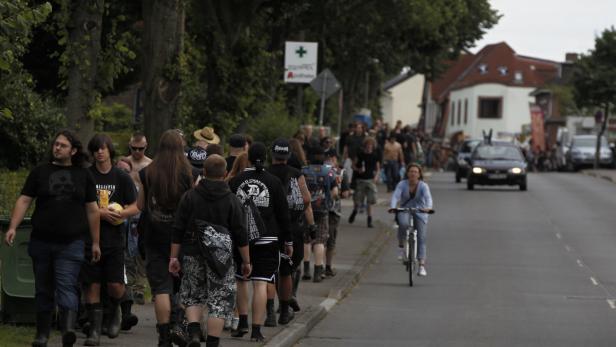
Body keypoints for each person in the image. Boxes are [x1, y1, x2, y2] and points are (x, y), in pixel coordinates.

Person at [4, 130, 101, 347]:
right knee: (43, 288)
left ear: (73, 150)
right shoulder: (40, 172)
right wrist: (12, 227)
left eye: (62, 145)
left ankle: (67, 329)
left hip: (72, 242)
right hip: (41, 240)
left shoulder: (84, 175)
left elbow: (93, 211)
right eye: (55, 144)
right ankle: (42, 334)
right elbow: (24, 200)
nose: (57, 148)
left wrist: (95, 242)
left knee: (66, 284)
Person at [169, 155, 251, 347]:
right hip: (221, 258)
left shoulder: (190, 196)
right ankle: (213, 342)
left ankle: (195, 332)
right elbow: (241, 233)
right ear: (224, 174)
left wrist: (174, 256)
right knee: (220, 299)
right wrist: (247, 261)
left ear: (204, 172)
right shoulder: (231, 200)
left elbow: (178, 228)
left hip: (192, 251)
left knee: (192, 294)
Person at [228, 142, 292, 342]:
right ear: (265, 157)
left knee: (241, 280)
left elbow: (229, 210)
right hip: (268, 238)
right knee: (261, 283)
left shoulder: (236, 181)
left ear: (247, 158)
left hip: (242, 239)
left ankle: (242, 322)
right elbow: (283, 213)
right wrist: (288, 240)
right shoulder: (273, 182)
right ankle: (257, 330)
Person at [137, 130, 194, 346]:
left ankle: (163, 337)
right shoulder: (188, 173)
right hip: (182, 238)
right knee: (181, 284)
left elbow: (140, 205)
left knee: (161, 288)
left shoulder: (147, 172)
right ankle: (179, 324)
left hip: (154, 235)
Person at [83, 134, 139, 344]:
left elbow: (136, 206)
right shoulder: (86, 175)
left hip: (115, 239)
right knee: (93, 285)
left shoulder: (121, 177)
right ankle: (94, 331)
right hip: (89, 238)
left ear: (109, 151)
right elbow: (81, 205)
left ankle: (114, 311)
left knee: (115, 285)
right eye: (96, 148)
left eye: (103, 148)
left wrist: (121, 214)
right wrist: (99, 213)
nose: (99, 152)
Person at [266, 138, 315, 324]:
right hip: (291, 228)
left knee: (268, 272)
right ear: (288, 155)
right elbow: (306, 199)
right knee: (286, 271)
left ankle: (269, 313)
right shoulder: (296, 174)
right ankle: (284, 311)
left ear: (273, 154)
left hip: (269, 227)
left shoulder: (266, 173)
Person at [389, 164, 433, 276]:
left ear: (419, 174)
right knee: (403, 224)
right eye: (411, 171)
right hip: (405, 209)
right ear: (407, 173)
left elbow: (428, 198)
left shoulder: (423, 186)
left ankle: (421, 265)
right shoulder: (402, 184)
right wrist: (393, 206)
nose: (413, 174)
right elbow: (395, 196)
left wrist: (428, 208)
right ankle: (401, 247)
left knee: (421, 237)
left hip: (420, 211)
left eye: (415, 172)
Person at [302, 146, 338, 282]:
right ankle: (317, 272)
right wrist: (332, 199)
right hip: (322, 210)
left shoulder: (304, 171)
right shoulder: (329, 172)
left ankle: (306, 270)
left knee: (306, 239)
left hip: (306, 209)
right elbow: (334, 192)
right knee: (320, 241)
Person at [123, 133, 152, 306]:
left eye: (140, 149)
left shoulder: (150, 165)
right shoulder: (124, 164)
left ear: (146, 147)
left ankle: (140, 288)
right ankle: (130, 284)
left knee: (141, 251)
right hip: (125, 210)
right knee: (127, 251)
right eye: (134, 148)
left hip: (142, 212)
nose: (137, 152)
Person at [349, 137, 380, 228]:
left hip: (370, 180)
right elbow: (352, 165)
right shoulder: (360, 154)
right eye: (368, 144)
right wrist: (358, 169)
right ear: (365, 145)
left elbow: (378, 169)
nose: (369, 146)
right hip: (360, 180)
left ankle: (369, 220)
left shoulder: (375, 156)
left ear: (373, 146)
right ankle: (355, 211)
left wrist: (376, 177)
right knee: (357, 200)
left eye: (371, 145)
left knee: (370, 201)